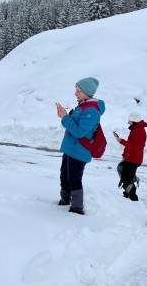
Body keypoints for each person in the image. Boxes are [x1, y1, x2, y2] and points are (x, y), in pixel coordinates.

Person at [56, 77, 105, 215]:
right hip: (70, 148)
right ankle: (64, 201)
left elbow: (79, 131)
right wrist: (64, 115)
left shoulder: (91, 111)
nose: (75, 93)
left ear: (87, 92)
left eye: (78, 91)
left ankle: (77, 208)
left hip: (80, 151)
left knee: (74, 178)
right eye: (76, 90)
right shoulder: (82, 106)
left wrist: (65, 117)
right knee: (64, 175)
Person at [113, 112, 147, 201]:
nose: (128, 122)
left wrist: (121, 141)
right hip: (130, 159)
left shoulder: (139, 131)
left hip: (133, 160)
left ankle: (132, 197)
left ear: (135, 121)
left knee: (127, 179)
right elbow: (131, 146)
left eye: (130, 121)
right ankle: (128, 193)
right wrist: (124, 155)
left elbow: (134, 147)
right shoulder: (136, 130)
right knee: (126, 178)